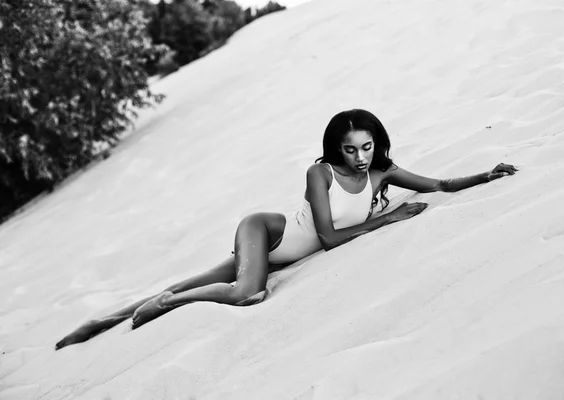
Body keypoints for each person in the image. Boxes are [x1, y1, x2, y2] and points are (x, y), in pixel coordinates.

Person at [55, 109, 517, 350]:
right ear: (335, 149)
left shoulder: (384, 171)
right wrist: (388, 219)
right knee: (247, 294)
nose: (360, 157)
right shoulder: (321, 174)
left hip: (275, 253)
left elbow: (438, 183)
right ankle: (171, 304)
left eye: (367, 147)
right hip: (264, 234)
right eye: (350, 149)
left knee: (209, 280)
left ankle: (99, 323)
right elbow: (330, 238)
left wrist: (484, 175)